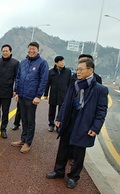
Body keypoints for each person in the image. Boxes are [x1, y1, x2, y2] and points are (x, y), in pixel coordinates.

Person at [46, 58, 108, 189]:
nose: (78, 72)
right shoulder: (74, 83)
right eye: (77, 69)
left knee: (79, 151)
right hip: (69, 119)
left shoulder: (99, 89)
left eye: (81, 69)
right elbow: (66, 102)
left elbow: (101, 110)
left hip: (84, 123)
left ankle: (73, 177)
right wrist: (60, 117)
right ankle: (59, 171)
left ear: (90, 70)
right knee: (63, 147)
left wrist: (95, 127)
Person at [12, 42, 49, 153]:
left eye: (33, 49)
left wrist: (38, 96)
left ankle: (28, 143)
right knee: (23, 118)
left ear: (38, 50)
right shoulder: (23, 63)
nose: (31, 51)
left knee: (30, 120)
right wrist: (16, 91)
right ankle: (23, 139)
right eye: (29, 49)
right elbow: (18, 77)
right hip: (22, 95)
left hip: (32, 97)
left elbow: (43, 80)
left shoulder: (42, 63)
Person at [43, 56, 71, 132]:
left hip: (63, 94)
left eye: (63, 61)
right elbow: (47, 84)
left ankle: (59, 125)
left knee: (61, 111)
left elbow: (70, 84)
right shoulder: (51, 71)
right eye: (61, 61)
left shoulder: (68, 71)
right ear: (56, 63)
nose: (63, 63)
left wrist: (69, 94)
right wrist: (45, 94)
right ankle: (51, 124)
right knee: (52, 110)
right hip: (53, 94)